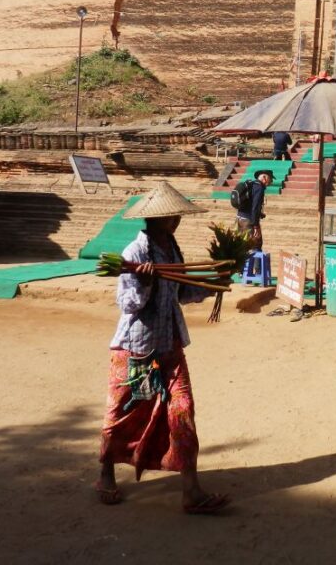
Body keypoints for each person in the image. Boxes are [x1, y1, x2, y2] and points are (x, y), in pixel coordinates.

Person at [97, 180, 230, 514]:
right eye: (171, 216)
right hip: (136, 347)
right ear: (153, 219)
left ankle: (191, 492)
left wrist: (214, 285)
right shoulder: (134, 254)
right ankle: (106, 474)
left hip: (170, 345)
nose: (176, 221)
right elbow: (127, 304)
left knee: (182, 412)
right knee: (122, 414)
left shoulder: (172, 250)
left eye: (177, 217)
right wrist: (143, 282)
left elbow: (182, 293)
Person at [235, 168, 274, 250]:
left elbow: (250, 204)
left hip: (239, 218)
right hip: (248, 221)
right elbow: (255, 207)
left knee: (242, 245)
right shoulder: (259, 188)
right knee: (254, 245)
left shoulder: (252, 184)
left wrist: (260, 214)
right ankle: (253, 263)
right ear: (264, 177)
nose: (271, 182)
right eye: (270, 179)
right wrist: (256, 226)